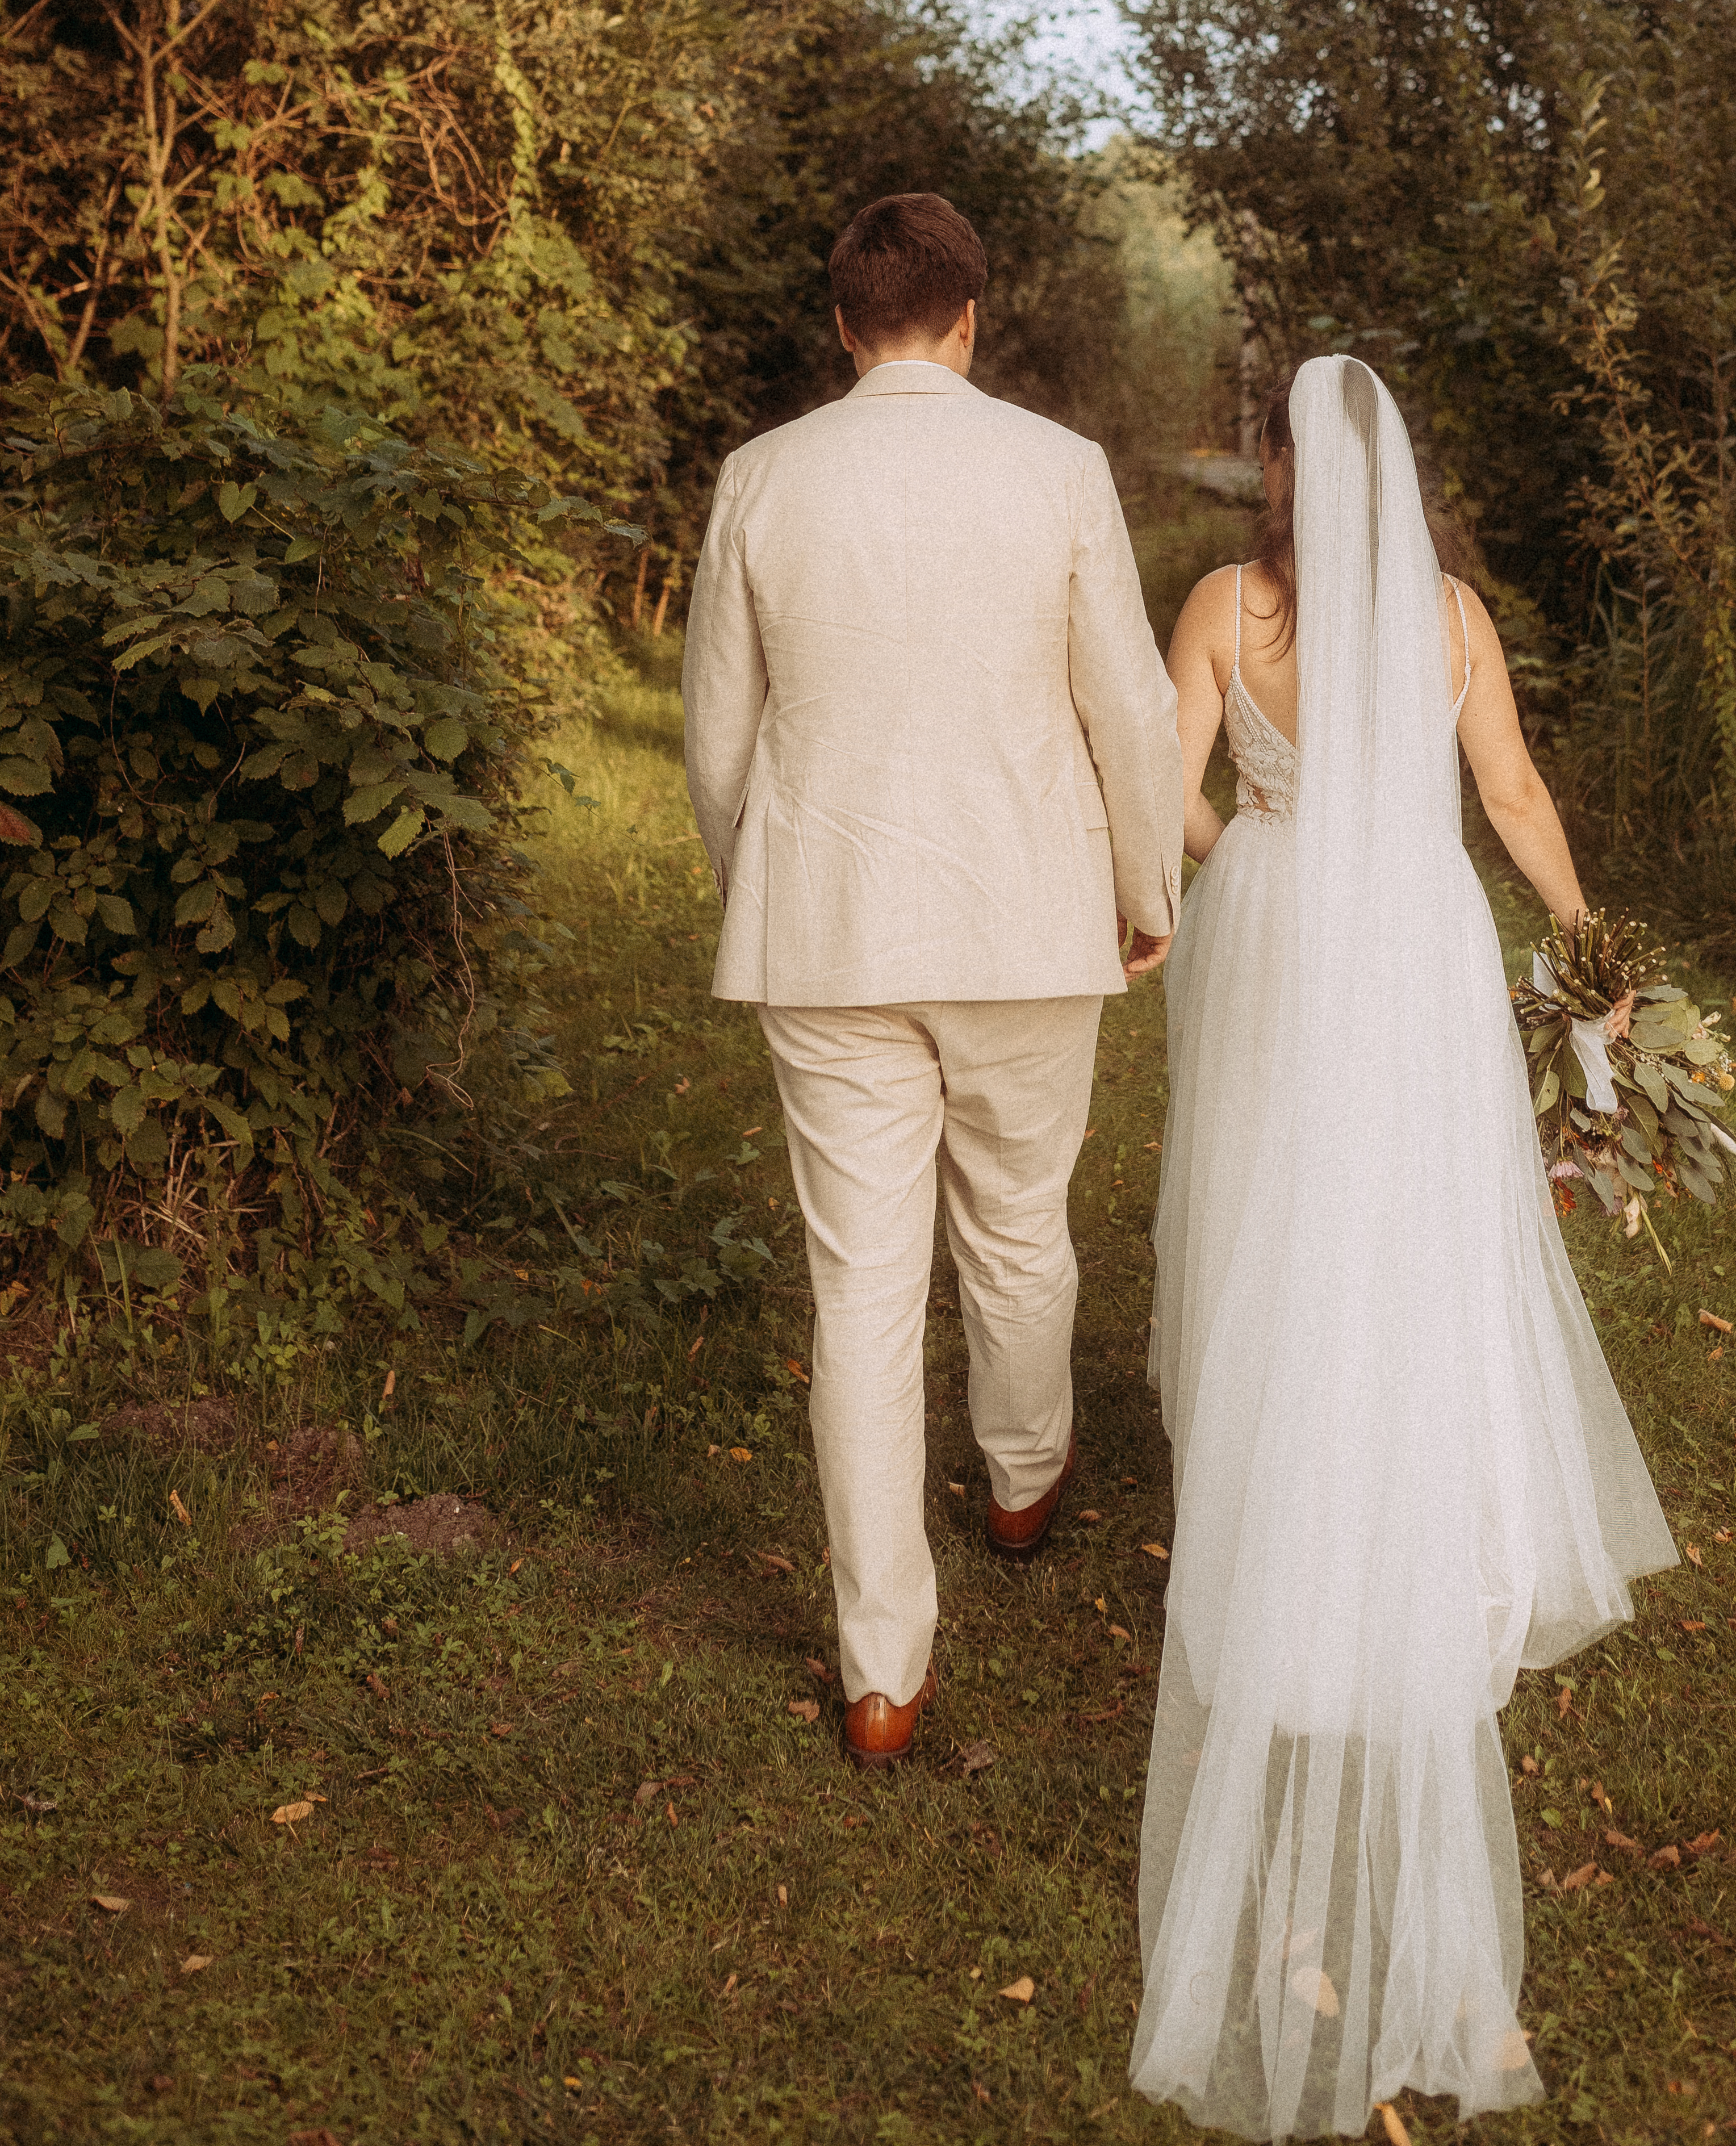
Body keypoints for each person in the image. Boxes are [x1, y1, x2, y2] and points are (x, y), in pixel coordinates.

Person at [1131, 355, 1676, 2137]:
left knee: (1278, 1259)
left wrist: (1229, 860)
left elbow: (1159, 791)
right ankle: (1405, 1531)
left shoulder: (1229, 603)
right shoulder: (1449, 615)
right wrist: (1595, 953)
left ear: (1286, 474)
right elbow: (1509, 798)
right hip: (1421, 947)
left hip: (1288, 939)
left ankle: (1288, 1560)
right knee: (1412, 1259)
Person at [682, 191, 1186, 1765]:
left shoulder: (762, 478)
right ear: (971, 318)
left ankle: (882, 1670)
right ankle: (1025, 1481)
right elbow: (1127, 708)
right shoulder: (1058, 472)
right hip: (1028, 915)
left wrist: (757, 877)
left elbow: (717, 735)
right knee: (1020, 1218)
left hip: (828, 928)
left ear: (845, 325)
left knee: (862, 1286)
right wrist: (1145, 880)